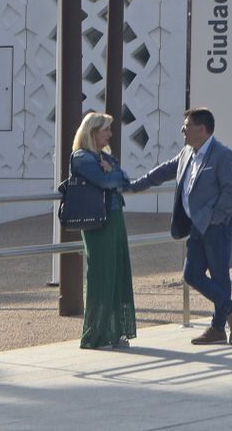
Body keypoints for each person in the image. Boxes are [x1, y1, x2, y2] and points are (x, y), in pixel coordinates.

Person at [129, 107, 232, 345]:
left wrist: (215, 218)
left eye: (186, 126)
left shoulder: (222, 155)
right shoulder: (187, 152)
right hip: (196, 226)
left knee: (219, 276)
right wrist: (133, 185)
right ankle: (231, 309)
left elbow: (231, 190)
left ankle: (218, 328)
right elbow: (164, 170)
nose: (182, 130)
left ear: (201, 129)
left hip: (216, 226)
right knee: (191, 274)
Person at [69, 111, 136, 350]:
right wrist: (112, 173)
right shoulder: (82, 157)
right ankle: (95, 336)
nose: (110, 134)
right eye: (106, 129)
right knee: (102, 274)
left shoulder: (103, 157)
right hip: (98, 221)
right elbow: (108, 181)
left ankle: (113, 332)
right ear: (93, 132)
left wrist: (113, 172)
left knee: (117, 271)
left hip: (114, 217)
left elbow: (123, 178)